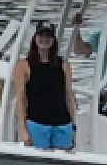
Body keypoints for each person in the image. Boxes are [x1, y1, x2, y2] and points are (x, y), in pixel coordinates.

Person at [13, 21, 77, 151]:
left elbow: (69, 97)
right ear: (35, 38)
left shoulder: (64, 65)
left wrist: (74, 128)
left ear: (53, 40)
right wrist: (23, 130)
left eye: (48, 36)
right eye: (41, 35)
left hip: (63, 124)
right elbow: (20, 99)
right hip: (37, 124)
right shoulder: (23, 66)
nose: (45, 39)